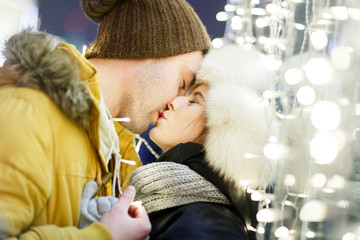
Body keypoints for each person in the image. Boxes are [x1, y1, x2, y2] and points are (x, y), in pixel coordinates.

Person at [0, 0, 211, 239]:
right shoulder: (28, 112)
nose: (177, 100)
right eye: (183, 83)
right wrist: (104, 235)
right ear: (149, 47)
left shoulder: (120, 158)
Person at [80, 45, 276, 239]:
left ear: (224, 131)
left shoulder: (206, 223)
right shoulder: (171, 202)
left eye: (194, 100)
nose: (174, 101)